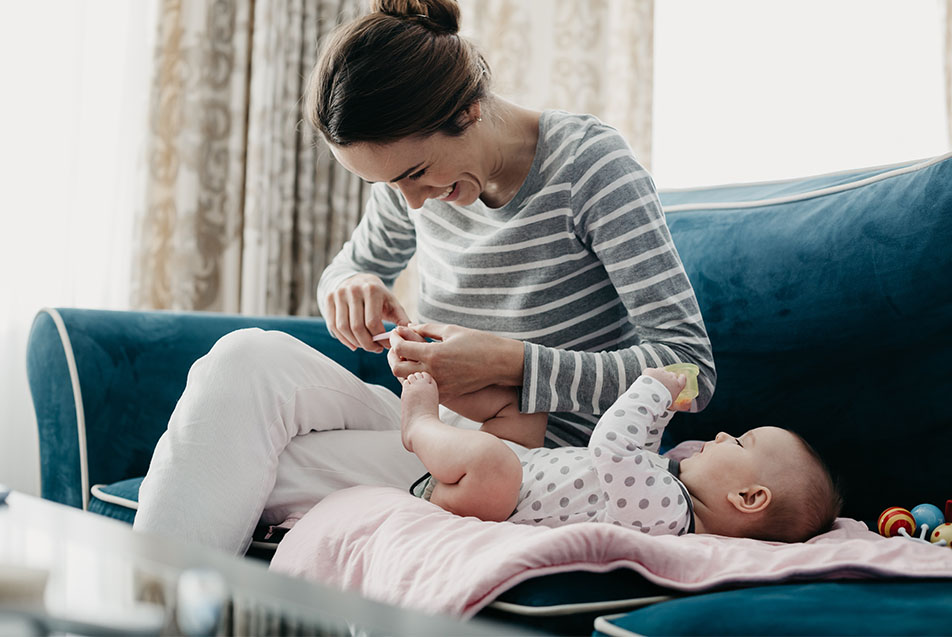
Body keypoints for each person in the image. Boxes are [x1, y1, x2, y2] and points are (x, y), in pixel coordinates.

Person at [133, 0, 716, 555]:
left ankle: (154, 606)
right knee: (241, 361)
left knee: (242, 463)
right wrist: (348, 285)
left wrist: (512, 363)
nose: (413, 204)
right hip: (437, 432)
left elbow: (692, 372)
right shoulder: (415, 184)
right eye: (390, 186)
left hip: (536, 466)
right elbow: (349, 264)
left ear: (468, 110)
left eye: (414, 174)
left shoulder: (592, 168)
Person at [400, 362, 842, 543]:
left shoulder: (670, 515)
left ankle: (421, 427)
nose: (725, 434)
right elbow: (636, 455)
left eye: (741, 442)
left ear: (748, 497)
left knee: (491, 461)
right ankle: (446, 407)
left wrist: (652, 390)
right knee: (527, 406)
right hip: (524, 467)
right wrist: (664, 413)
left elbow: (612, 446)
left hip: (489, 497)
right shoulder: (667, 490)